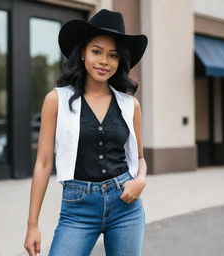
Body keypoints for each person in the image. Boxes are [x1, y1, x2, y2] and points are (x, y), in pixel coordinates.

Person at [24, 8, 148, 256]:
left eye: (112, 55)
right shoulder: (56, 100)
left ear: (119, 61)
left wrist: (140, 180)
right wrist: (32, 224)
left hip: (126, 206)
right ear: (82, 53)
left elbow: (140, 158)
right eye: (96, 51)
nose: (104, 61)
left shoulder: (129, 105)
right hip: (78, 208)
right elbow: (44, 163)